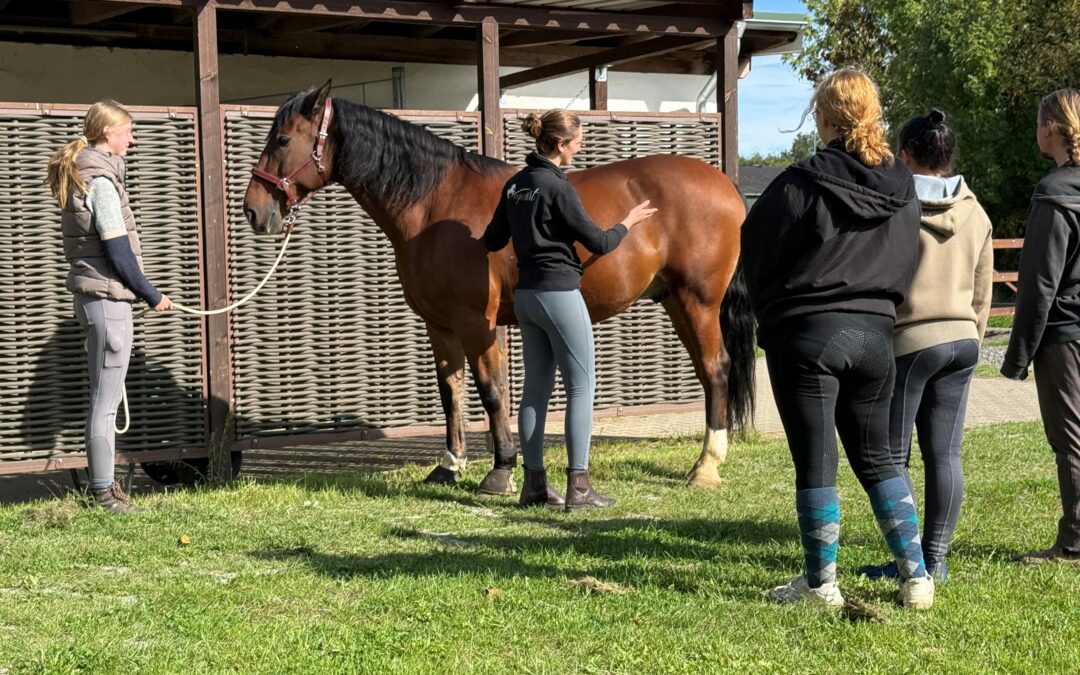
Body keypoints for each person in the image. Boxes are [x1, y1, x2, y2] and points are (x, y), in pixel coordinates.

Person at [741, 68, 935, 609]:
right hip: (876, 337)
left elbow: (754, 248)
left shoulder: (800, 183)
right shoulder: (904, 188)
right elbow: (909, 258)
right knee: (880, 459)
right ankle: (917, 578)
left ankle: (820, 584)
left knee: (816, 462)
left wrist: (774, 311)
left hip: (808, 336)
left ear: (823, 117)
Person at [483, 109, 656, 510]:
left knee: (534, 391)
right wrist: (628, 221)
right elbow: (599, 242)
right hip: (559, 294)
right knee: (581, 386)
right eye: (577, 141)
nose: (581, 146)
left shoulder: (516, 184)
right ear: (560, 144)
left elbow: (492, 240)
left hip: (526, 298)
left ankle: (534, 487)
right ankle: (579, 487)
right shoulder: (557, 187)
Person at [857, 109, 993, 584]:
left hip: (910, 340)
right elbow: (983, 289)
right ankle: (935, 560)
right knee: (945, 455)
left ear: (905, 154)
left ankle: (909, 563)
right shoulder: (976, 211)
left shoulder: (895, 205)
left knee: (892, 458)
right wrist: (972, 334)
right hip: (962, 339)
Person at [46, 100, 173, 515]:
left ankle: (105, 490)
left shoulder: (91, 173)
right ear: (107, 133)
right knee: (104, 403)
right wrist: (152, 295)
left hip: (98, 298)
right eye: (128, 132)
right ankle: (104, 495)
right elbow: (118, 252)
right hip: (106, 299)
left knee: (105, 398)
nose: (132, 141)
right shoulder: (100, 180)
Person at [1001, 88, 1080, 565]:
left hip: (1066, 334)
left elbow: (1038, 283)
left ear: (1051, 128)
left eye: (1037, 123)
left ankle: (1074, 542)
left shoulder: (1055, 194)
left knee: (1070, 437)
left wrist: (1017, 357)